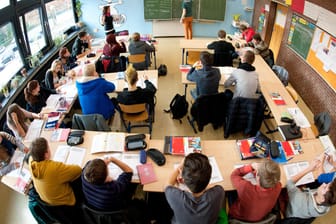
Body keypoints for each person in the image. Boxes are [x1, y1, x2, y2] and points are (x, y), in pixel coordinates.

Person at [164, 153, 225, 223]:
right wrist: (190, 181)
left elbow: (167, 185)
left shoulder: (175, 196)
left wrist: (179, 168)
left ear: (183, 179)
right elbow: (214, 186)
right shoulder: (219, 193)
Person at [29, 137, 82, 206]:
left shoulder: (31, 161)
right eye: (48, 147)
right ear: (46, 154)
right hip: (67, 202)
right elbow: (78, 170)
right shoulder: (53, 168)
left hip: (50, 203)